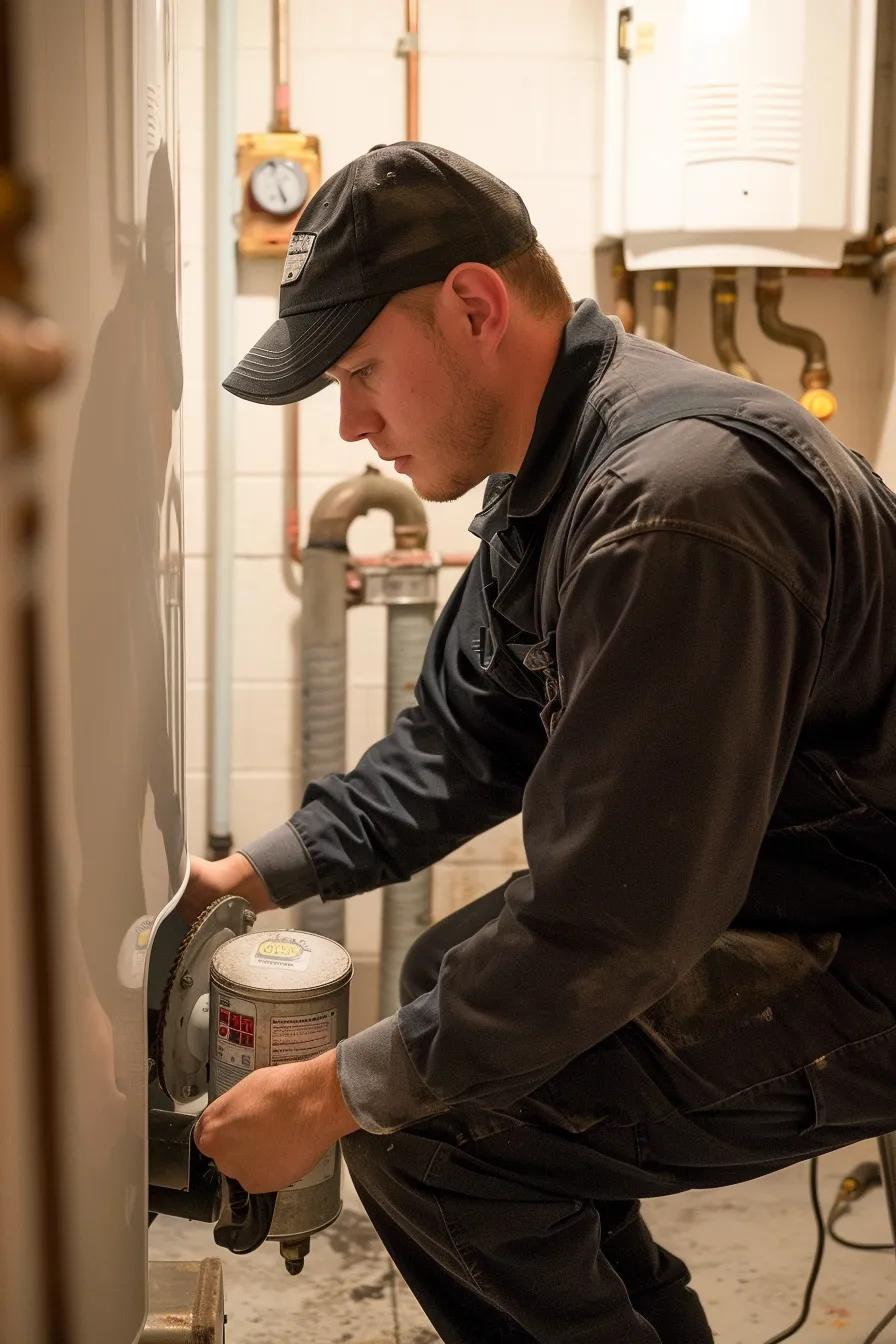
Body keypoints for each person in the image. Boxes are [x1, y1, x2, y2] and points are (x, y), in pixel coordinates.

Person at [188, 142, 896, 1343]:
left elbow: (613, 924)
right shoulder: (554, 475)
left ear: (472, 306)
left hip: (863, 940)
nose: (353, 425)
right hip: (778, 893)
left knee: (436, 1136)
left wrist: (332, 1092)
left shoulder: (675, 504)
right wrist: (251, 876)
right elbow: (464, 740)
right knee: (445, 1003)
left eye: (360, 371)